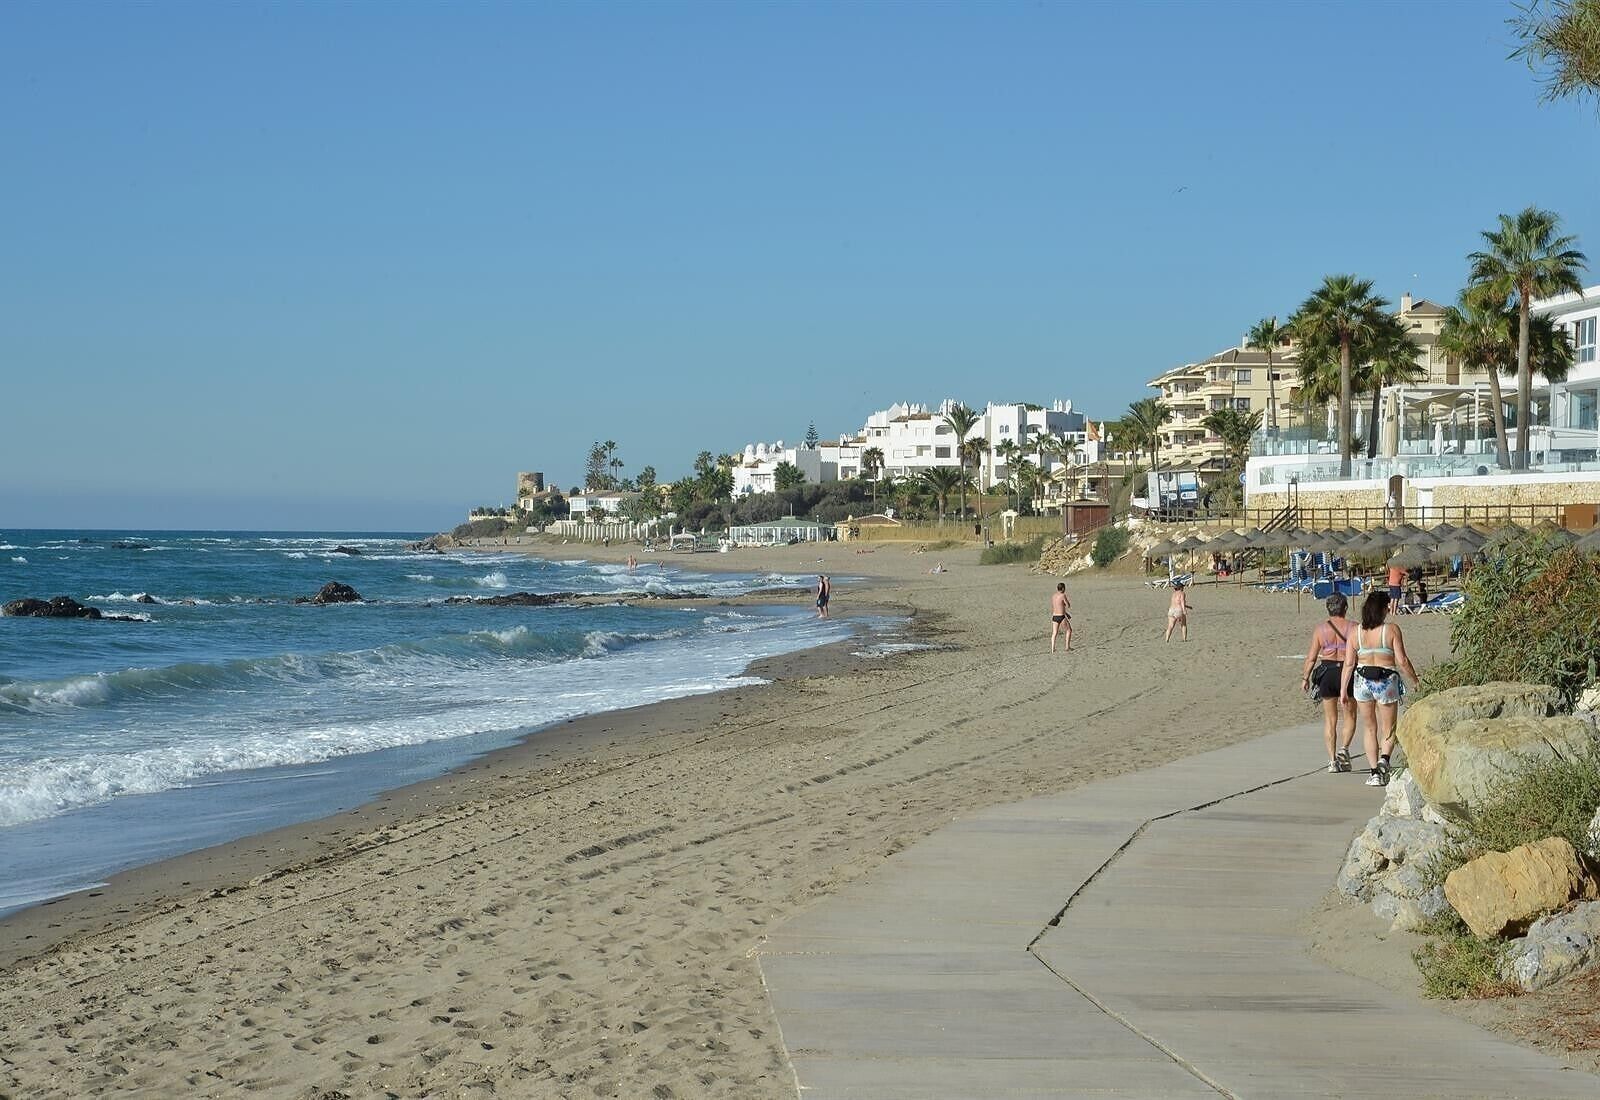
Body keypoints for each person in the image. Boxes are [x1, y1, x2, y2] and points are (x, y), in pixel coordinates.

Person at [1341, 590, 1420, 786]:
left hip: (1362, 680)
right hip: (1385, 680)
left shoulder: (1355, 632)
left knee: (1369, 728)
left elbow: (1349, 664)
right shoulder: (1391, 630)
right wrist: (1415, 680)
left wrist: (1343, 690)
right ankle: (1384, 759)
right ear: (1383, 610)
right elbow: (1402, 660)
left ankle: (1375, 772)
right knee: (1388, 727)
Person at [1301, 593, 1357, 772]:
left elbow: (1311, 657)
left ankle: (1332, 760)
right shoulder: (1354, 627)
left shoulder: (1320, 630)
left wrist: (1305, 678)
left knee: (1330, 719)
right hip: (1347, 672)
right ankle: (1344, 748)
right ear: (1345, 608)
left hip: (1327, 673)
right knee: (1350, 715)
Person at [1050, 582, 1072, 653]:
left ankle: (1053, 648)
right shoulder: (1063, 595)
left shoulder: (1053, 596)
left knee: (1054, 633)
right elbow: (1068, 605)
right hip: (1061, 616)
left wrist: (1066, 613)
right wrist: (1067, 603)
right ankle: (1067, 647)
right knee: (1069, 630)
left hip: (1054, 616)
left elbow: (1056, 607)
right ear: (1062, 589)